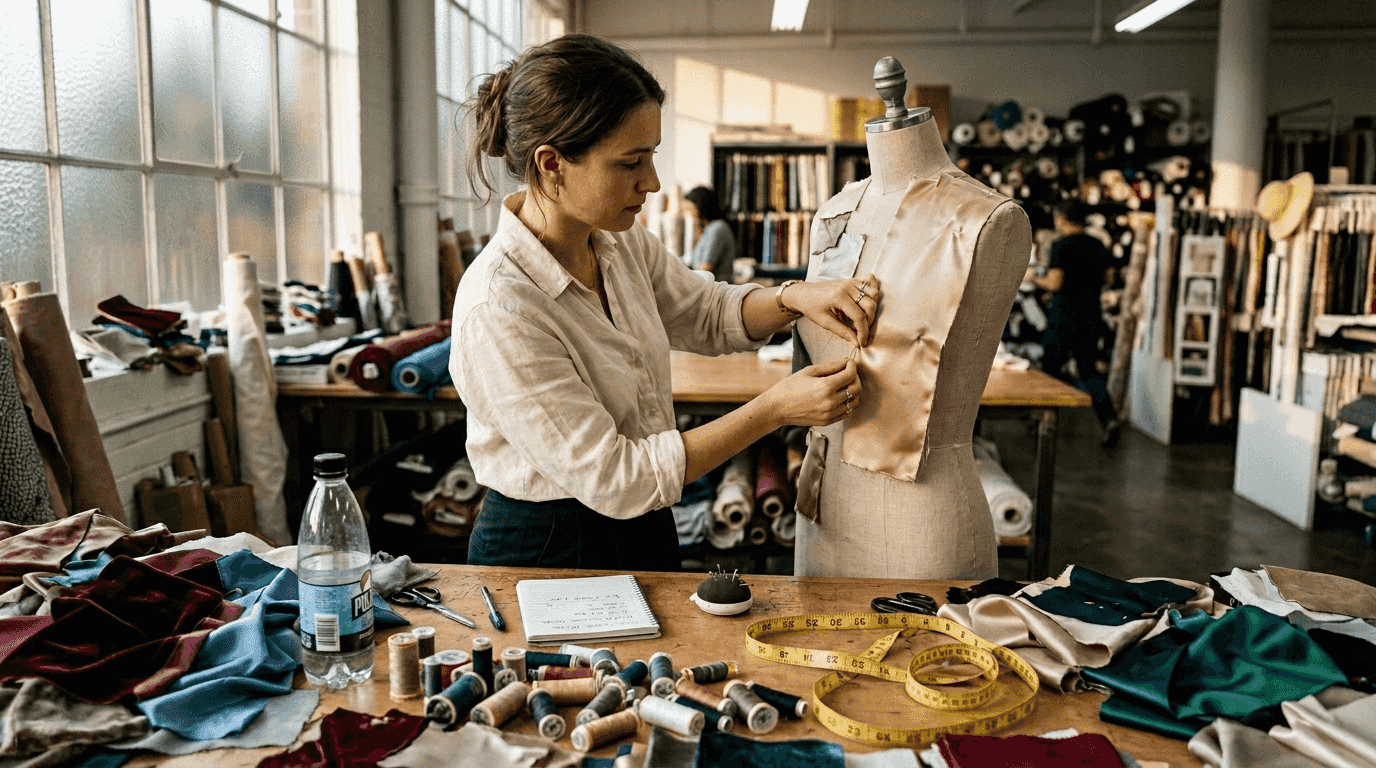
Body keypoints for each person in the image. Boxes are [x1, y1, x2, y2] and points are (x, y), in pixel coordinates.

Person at [448, 34, 880, 571]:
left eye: (650, 156)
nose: (651, 182)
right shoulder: (501, 306)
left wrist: (795, 297)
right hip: (549, 543)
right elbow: (617, 477)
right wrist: (774, 409)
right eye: (630, 163)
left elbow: (706, 312)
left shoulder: (615, 241)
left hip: (645, 519)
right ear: (552, 163)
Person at [1026, 200, 1120, 446]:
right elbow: (1109, 276)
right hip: (1090, 315)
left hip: (1064, 316)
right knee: (1089, 371)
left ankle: (1042, 424)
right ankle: (1108, 418)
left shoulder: (1062, 246)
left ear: (1061, 218)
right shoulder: (1098, 244)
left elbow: (1055, 283)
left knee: (1050, 370)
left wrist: (1035, 278)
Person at [683, 186, 736, 283]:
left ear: (700, 207)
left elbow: (705, 267)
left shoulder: (717, 229)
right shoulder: (708, 229)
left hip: (718, 292)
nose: (690, 214)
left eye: (691, 209)